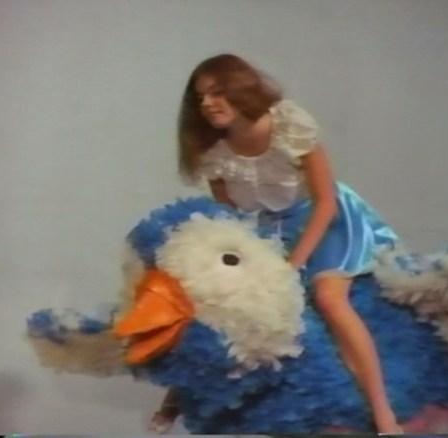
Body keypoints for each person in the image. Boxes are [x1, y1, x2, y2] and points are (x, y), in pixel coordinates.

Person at [148, 53, 403, 434]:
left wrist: (292, 266)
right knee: (220, 298)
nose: (207, 104)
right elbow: (230, 219)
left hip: (324, 220)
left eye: (217, 92)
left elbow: (326, 202)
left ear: (241, 89)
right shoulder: (214, 152)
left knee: (329, 299)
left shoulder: (289, 125)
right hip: (267, 229)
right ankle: (175, 397)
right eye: (200, 97)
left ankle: (385, 416)